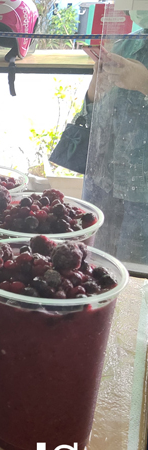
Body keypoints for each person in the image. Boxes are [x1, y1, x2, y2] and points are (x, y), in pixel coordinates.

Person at [82, 19, 148, 265]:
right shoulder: (126, 44)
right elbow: (92, 115)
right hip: (102, 184)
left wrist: (144, 83)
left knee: (135, 275)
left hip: (142, 197)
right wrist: (96, 88)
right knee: (91, 267)